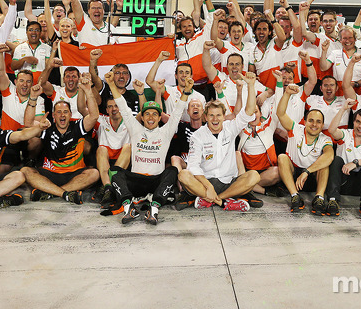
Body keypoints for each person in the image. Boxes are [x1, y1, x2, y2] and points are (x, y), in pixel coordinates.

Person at [108, 72, 190, 224]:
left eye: (154, 114)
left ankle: (154, 210)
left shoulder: (166, 131)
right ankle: (129, 209)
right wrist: (111, 84)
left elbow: (178, 112)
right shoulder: (135, 129)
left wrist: (186, 92)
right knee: (114, 172)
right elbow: (123, 108)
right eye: (147, 114)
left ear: (160, 118)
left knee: (172, 170)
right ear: (142, 117)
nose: (151, 117)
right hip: (136, 182)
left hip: (155, 182)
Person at [176, 73, 261, 212]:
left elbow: (249, 111)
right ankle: (225, 203)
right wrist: (208, 186)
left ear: (224, 116)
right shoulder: (197, 136)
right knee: (183, 175)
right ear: (205, 117)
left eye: (218, 115)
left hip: (229, 182)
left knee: (254, 176)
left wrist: (251, 85)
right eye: (211, 115)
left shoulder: (231, 127)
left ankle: (215, 200)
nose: (215, 119)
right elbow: (193, 165)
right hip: (204, 182)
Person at [20, 76, 101, 203]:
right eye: (58, 112)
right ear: (53, 115)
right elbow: (28, 123)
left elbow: (94, 115)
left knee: (94, 174)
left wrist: (88, 91)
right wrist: (33, 97)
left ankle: (50, 192)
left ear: (70, 115)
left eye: (65, 112)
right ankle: (65, 193)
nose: (62, 115)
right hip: (50, 173)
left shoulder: (77, 127)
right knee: (25, 171)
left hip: (74, 174)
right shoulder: (47, 128)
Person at [275, 88, 335, 214]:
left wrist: (307, 172)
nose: (314, 124)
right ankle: (294, 196)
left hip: (312, 175)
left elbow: (329, 156)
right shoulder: (296, 128)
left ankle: (319, 198)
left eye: (318, 122)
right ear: (305, 122)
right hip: (293, 174)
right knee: (282, 157)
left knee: (325, 164)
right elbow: (280, 114)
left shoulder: (326, 139)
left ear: (323, 125)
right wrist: (286, 94)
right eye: (311, 120)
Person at [325, 101, 361, 219]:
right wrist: (343, 109)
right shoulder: (346, 134)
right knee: (336, 160)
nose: (360, 126)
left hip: (359, 187)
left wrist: (356, 163)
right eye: (358, 121)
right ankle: (333, 200)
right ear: (353, 122)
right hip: (341, 182)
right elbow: (332, 130)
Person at [0, 44, 42, 172]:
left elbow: (37, 124)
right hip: (9, 137)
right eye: (21, 81)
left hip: (26, 137)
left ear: (32, 84)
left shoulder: (39, 98)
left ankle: (30, 161)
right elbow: (0, 71)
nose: (25, 84)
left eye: (28, 81)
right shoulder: (8, 90)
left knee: (36, 139)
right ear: (15, 82)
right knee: (3, 169)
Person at [146, 52, 205, 121]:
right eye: (181, 72)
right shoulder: (169, 91)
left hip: (191, 130)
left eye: (187, 73)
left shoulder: (200, 97)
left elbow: (203, 119)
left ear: (191, 76)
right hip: (172, 130)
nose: (184, 75)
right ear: (176, 76)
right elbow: (149, 81)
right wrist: (159, 60)